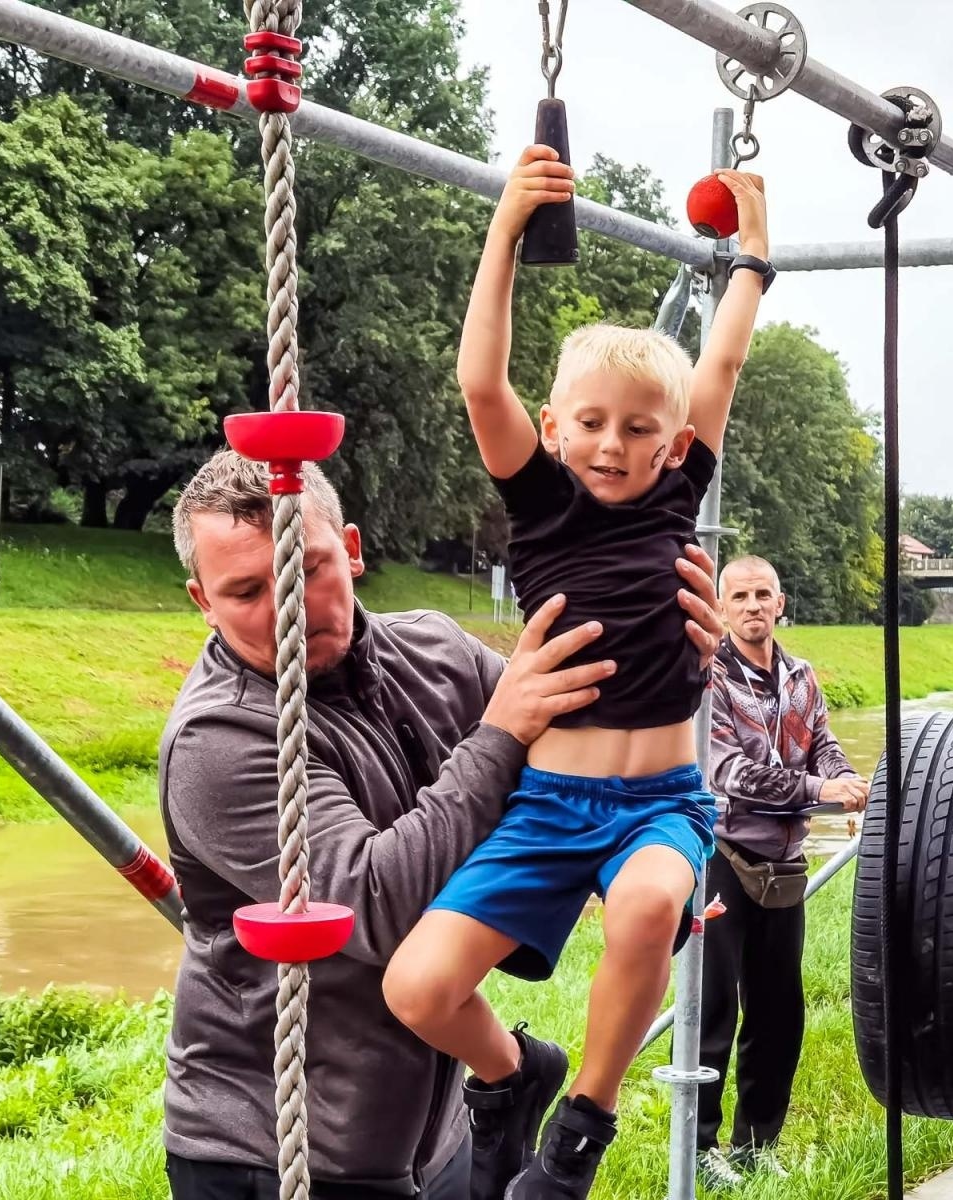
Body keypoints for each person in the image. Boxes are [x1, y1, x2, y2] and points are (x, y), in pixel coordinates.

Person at [159, 449, 724, 1200]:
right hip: (279, 1150)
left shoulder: (434, 648)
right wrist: (497, 733)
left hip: (442, 1129)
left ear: (353, 550)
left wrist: (671, 653)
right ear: (203, 600)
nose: (287, 602)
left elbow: (578, 760)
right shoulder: (218, 740)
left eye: (311, 566)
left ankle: (515, 1082)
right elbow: (375, 909)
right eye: (246, 590)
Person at [381, 145, 774, 1200]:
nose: (612, 444)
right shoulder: (539, 500)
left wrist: (754, 256)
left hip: (659, 799)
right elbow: (478, 378)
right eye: (591, 424)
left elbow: (723, 367)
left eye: (639, 429)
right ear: (555, 429)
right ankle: (513, 1076)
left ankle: (580, 1131)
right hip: (546, 802)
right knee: (416, 987)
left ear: (670, 442)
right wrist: (505, 227)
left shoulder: (674, 498)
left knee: (649, 907)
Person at [694, 555, 866, 1190]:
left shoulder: (802, 676)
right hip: (720, 859)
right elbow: (733, 777)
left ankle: (756, 1144)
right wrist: (824, 790)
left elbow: (823, 741)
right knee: (712, 1010)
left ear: (781, 602)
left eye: (762, 594)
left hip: (785, 865)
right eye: (738, 596)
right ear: (721, 607)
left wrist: (844, 776)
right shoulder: (707, 679)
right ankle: (701, 1149)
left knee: (779, 1013)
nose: (751, 606)